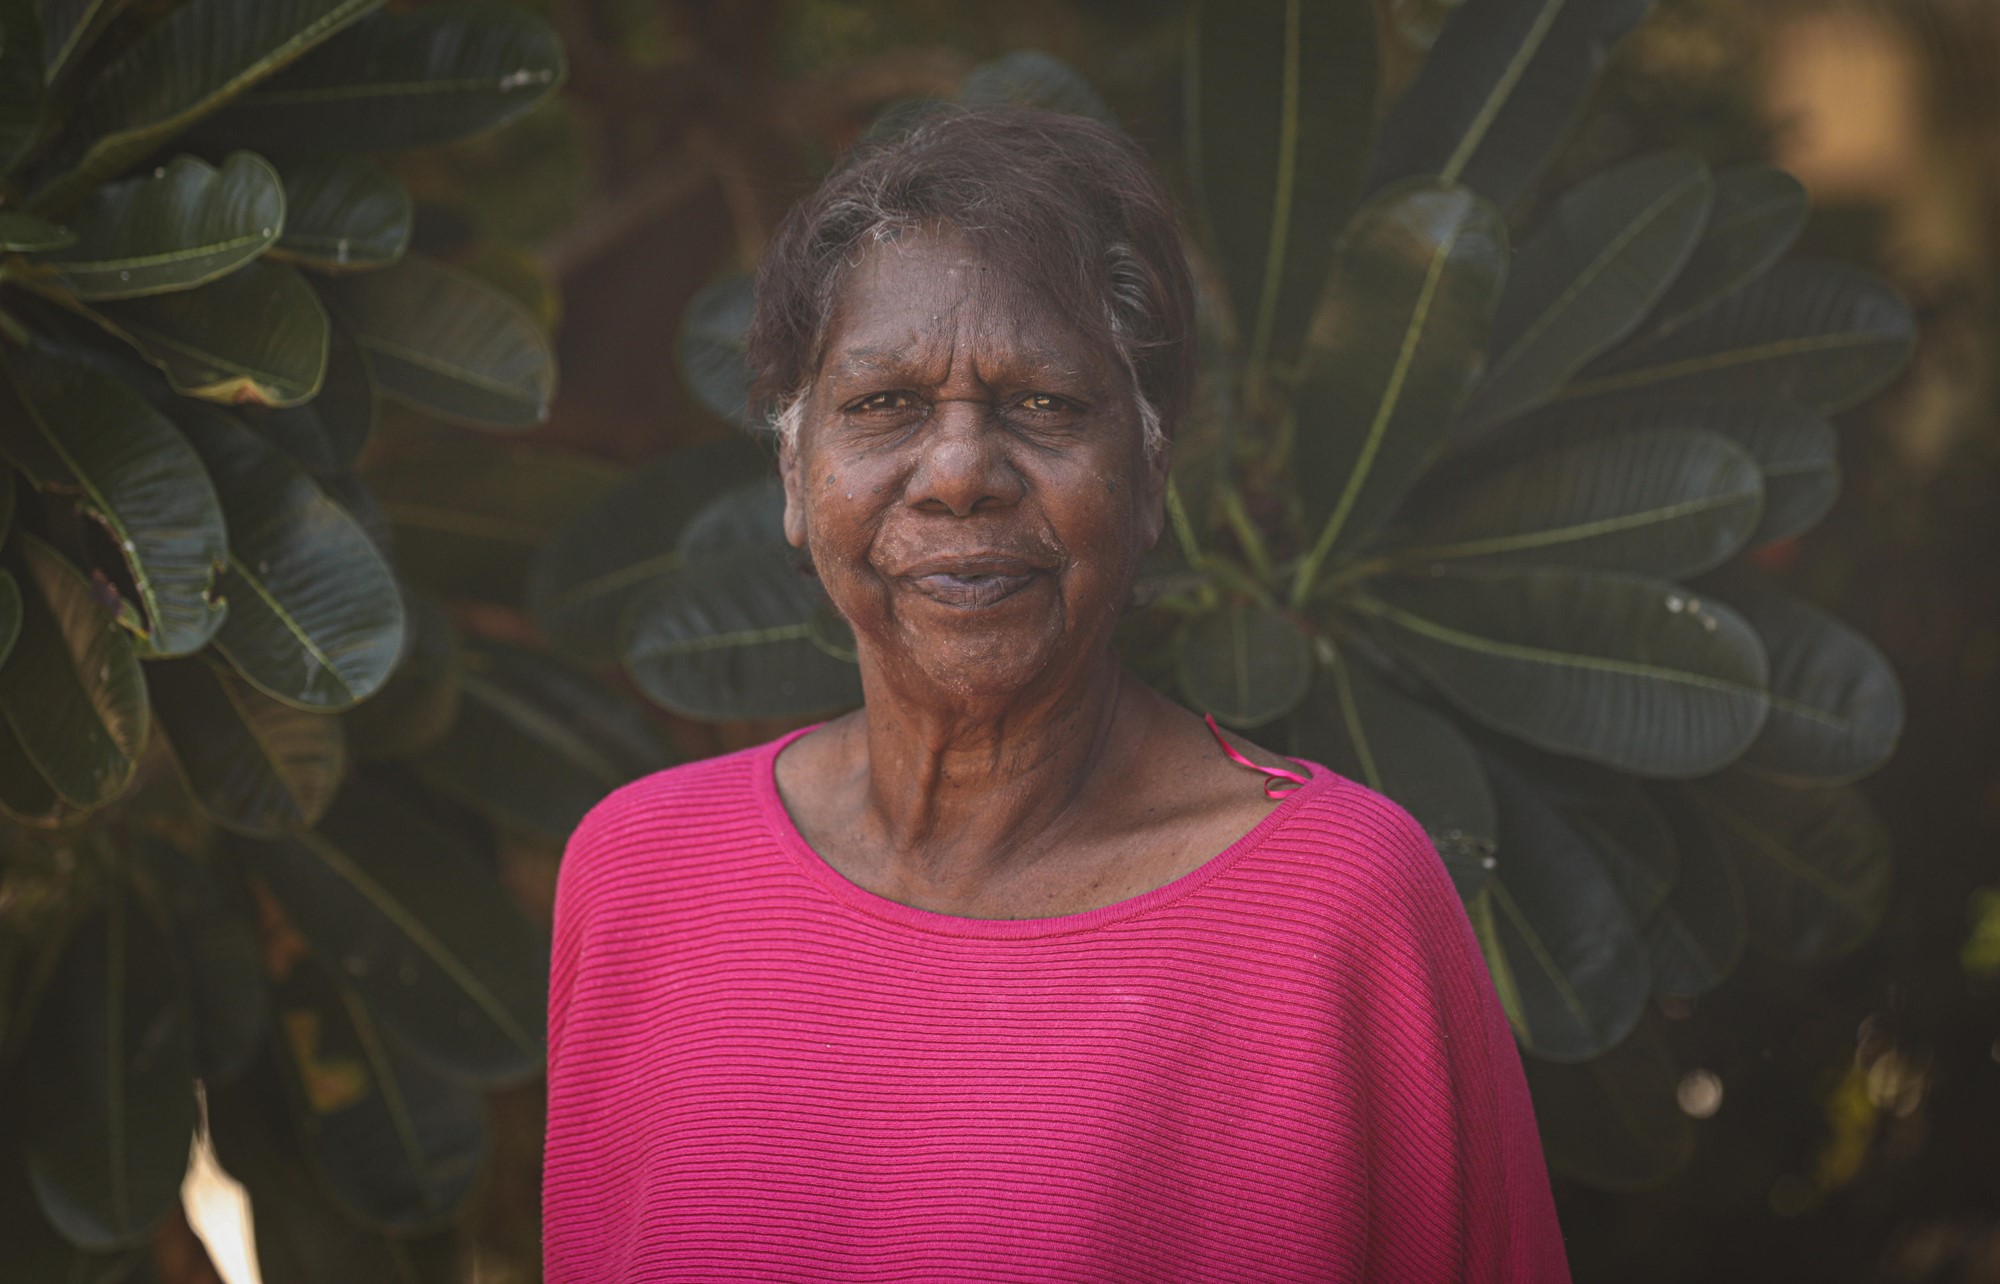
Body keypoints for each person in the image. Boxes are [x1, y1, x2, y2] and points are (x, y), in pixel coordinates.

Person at [543, 107, 1570, 1282]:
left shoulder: (1339, 913)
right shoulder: (639, 875)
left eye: (1042, 404)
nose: (959, 473)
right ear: (793, 474)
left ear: (1147, 477)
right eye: (882, 405)